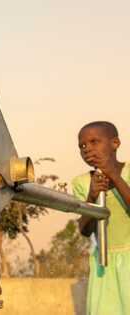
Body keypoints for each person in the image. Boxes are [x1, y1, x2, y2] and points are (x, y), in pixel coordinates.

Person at [73, 121, 130, 315]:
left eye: (94, 142)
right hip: (104, 263)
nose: (87, 149)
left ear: (115, 143)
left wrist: (115, 176)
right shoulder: (82, 182)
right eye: (82, 146)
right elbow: (85, 230)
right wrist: (91, 197)